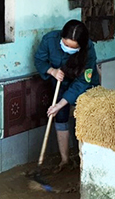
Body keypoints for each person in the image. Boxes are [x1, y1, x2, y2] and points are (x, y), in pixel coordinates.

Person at [34, 19, 100, 172]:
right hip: (60, 82)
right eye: (65, 44)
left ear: (81, 47)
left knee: (86, 116)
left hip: (84, 84)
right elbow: (39, 60)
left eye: (72, 48)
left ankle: (87, 159)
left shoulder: (89, 49)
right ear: (61, 37)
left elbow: (82, 82)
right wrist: (52, 71)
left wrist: (60, 104)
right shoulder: (50, 40)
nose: (67, 49)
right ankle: (65, 160)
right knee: (61, 116)